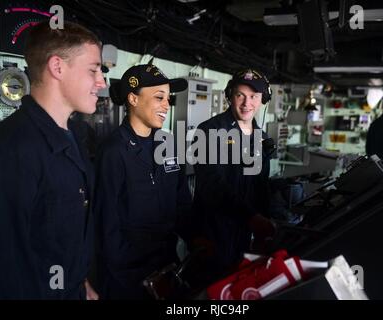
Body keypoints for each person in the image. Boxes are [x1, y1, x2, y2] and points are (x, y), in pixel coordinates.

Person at [0, 21, 106, 299]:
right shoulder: (11, 150)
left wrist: (80, 283)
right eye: (93, 69)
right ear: (57, 67)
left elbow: (60, 238)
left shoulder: (74, 134)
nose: (102, 82)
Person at [94, 64, 192, 299]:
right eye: (159, 97)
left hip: (166, 264)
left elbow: (182, 202)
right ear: (133, 99)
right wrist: (128, 275)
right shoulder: (114, 151)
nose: (166, 105)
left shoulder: (168, 144)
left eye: (168, 98)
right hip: (128, 276)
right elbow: (106, 226)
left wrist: (197, 238)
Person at [191, 68, 276, 285]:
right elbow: (212, 186)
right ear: (230, 96)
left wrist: (264, 230)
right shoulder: (209, 131)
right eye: (241, 95)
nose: (247, 103)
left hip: (246, 236)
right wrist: (252, 217)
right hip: (212, 235)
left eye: (254, 97)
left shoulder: (261, 138)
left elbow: (260, 188)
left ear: (263, 99)